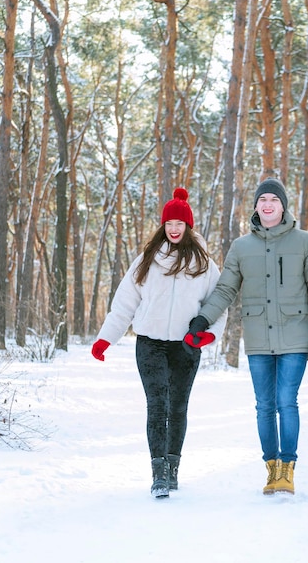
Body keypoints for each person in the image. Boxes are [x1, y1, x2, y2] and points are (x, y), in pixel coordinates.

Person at [184, 178, 308, 495]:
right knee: (264, 405)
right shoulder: (241, 247)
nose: (267, 204)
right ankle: (271, 469)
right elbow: (225, 290)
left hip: (296, 335)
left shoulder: (306, 242)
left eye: (273, 200)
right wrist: (203, 318)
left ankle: (287, 470)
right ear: (255, 205)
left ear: (283, 205)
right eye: (262, 199)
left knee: (285, 401)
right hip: (258, 337)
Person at [91, 187, 227, 499]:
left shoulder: (204, 265)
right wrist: (105, 338)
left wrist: (207, 334)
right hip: (150, 344)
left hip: (185, 346)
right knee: (157, 404)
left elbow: (218, 305)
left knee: (178, 406)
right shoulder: (147, 260)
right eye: (169, 223)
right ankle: (159, 474)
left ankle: (173, 467)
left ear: (188, 227)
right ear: (163, 226)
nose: (174, 229)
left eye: (180, 223)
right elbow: (125, 302)